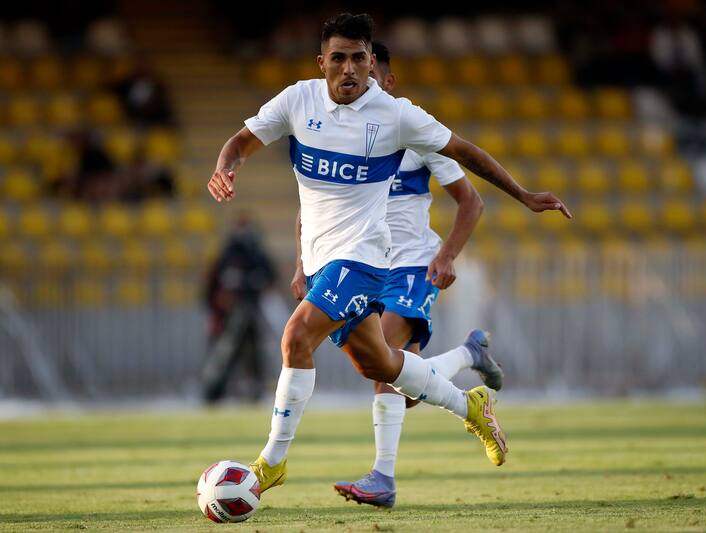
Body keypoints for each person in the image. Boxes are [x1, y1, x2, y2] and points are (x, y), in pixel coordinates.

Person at [207, 13, 571, 497]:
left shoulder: (396, 115)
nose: (350, 69)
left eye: (360, 58)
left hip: (366, 259)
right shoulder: (297, 100)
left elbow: (466, 154)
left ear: (372, 61)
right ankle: (471, 404)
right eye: (339, 58)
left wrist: (524, 195)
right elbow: (241, 142)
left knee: (295, 337)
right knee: (382, 366)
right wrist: (225, 167)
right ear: (322, 63)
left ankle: (273, 462)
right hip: (321, 261)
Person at [286, 41, 503, 508]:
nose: (361, 86)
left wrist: (445, 256)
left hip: (410, 265)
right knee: (394, 379)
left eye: (371, 77)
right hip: (358, 262)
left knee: (388, 372)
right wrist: (303, 263)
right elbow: (315, 205)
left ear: (386, 81)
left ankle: (383, 477)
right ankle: (468, 358)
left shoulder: (418, 135)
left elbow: (471, 200)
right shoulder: (342, 135)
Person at [201, 213, 277, 404]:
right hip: (229, 317)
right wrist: (217, 309)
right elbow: (213, 288)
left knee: (252, 354)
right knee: (224, 352)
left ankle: (254, 389)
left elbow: (269, 278)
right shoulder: (228, 255)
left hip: (252, 314)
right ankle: (214, 390)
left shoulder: (257, 254)